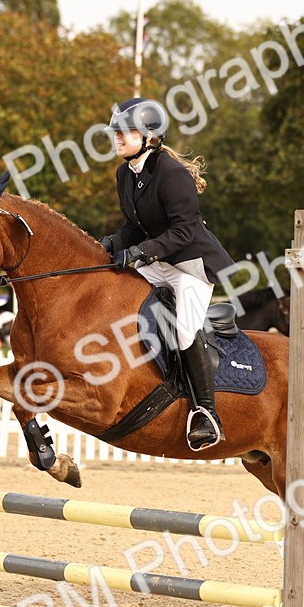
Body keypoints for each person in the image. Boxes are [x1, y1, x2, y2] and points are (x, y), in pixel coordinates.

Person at [98, 97, 235, 451]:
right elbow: (133, 226)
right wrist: (109, 245)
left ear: (149, 136)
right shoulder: (124, 173)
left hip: (190, 266)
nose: (117, 137)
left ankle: (207, 413)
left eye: (125, 131)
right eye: (116, 131)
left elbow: (183, 232)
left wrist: (138, 252)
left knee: (185, 331)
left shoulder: (172, 174)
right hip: (160, 263)